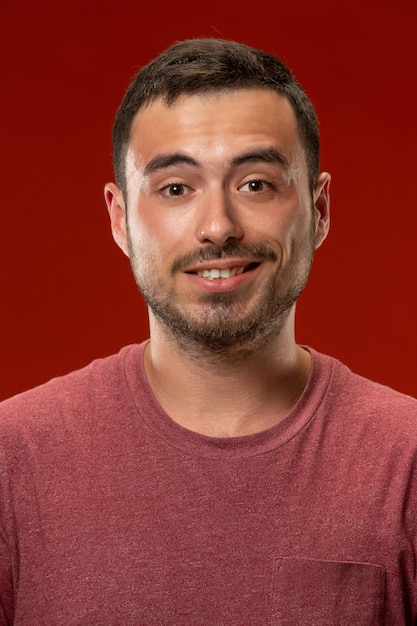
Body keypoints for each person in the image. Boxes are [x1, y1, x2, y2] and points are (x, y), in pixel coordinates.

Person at [0, 38, 416, 626]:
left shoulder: (407, 464)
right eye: (176, 188)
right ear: (119, 218)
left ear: (319, 210)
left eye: (256, 184)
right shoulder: (11, 462)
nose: (218, 226)